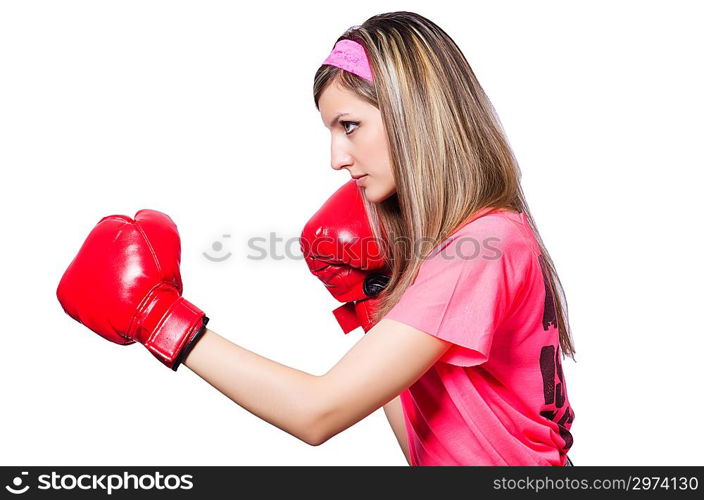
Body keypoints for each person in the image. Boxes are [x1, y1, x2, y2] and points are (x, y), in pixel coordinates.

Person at [56, 11, 575, 466]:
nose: (337, 158)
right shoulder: (480, 238)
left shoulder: (482, 248)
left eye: (350, 126)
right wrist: (370, 298)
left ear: (413, 116)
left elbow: (317, 413)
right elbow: (423, 443)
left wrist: (160, 319)